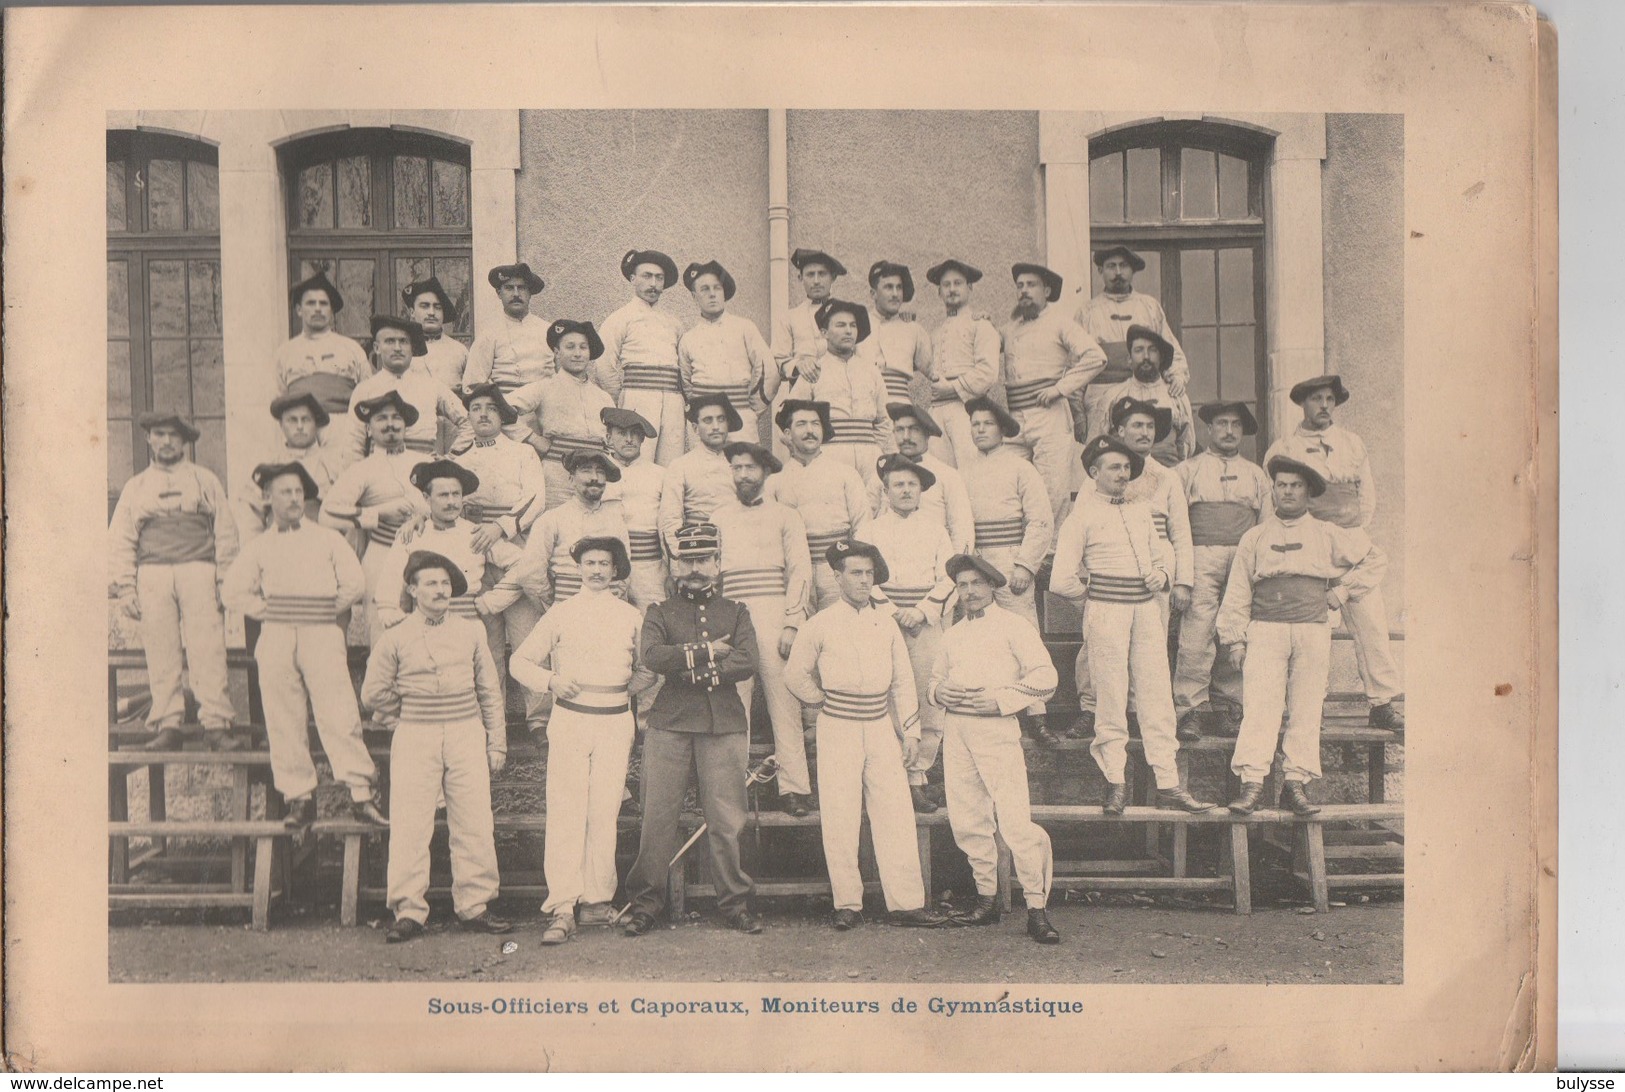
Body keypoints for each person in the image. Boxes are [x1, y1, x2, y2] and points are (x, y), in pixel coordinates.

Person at [784, 541, 949, 931]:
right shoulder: (819, 624)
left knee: (894, 811)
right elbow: (794, 674)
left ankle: (906, 903)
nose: (862, 580)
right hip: (837, 725)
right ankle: (847, 903)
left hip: (879, 727)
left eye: (868, 574)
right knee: (840, 813)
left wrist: (910, 733)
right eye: (855, 573)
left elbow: (902, 681)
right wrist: (821, 701)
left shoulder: (885, 623)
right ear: (837, 577)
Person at [1050, 436, 1215, 815]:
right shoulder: (1082, 517)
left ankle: (1169, 783)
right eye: (1113, 467)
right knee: (1110, 697)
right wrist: (1093, 599)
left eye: (1126, 467)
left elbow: (1163, 556)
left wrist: (1161, 573)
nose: (1123, 473)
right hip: (1107, 613)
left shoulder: (1141, 511)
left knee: (1156, 695)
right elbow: (1061, 579)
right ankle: (1115, 783)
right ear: (1093, 473)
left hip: (1145, 614)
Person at [1218, 457, 1390, 816]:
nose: (1289, 491)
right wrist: (1235, 638)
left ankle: (1295, 784)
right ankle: (1252, 783)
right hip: (1266, 629)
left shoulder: (1327, 534)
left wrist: (1341, 594)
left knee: (1307, 706)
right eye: (1282, 485)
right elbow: (1237, 591)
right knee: (1260, 706)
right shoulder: (1255, 537)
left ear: (1308, 492)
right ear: (1274, 490)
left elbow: (1375, 560)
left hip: (1312, 629)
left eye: (1296, 485)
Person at [221, 462, 384, 827]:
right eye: (285, 492)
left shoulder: (327, 538)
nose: (294, 499)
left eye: (298, 492)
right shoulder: (259, 547)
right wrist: (268, 610)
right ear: (268, 498)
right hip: (277, 635)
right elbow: (233, 590)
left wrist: (324, 608)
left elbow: (354, 583)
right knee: (282, 716)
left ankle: (360, 793)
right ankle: (299, 798)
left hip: (321, 634)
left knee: (339, 712)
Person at [361, 550, 513, 943]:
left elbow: (489, 691)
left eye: (446, 583)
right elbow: (373, 693)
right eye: (431, 583)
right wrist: (407, 713)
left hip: (465, 732)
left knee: (475, 821)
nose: (440, 590)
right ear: (412, 589)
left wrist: (496, 742)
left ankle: (475, 905)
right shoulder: (396, 637)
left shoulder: (470, 631)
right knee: (411, 823)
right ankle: (409, 910)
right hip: (416, 735)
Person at [622, 522, 763, 937]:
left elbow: (747, 660)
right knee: (657, 816)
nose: (696, 567)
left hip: (724, 724)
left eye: (704, 559)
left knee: (726, 820)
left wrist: (697, 671)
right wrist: (704, 653)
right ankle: (646, 903)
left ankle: (735, 903)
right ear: (674, 565)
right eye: (688, 560)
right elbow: (652, 656)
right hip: (670, 723)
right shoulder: (659, 612)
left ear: (718, 564)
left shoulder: (737, 611)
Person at [509, 537, 650, 943]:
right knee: (567, 811)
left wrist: (623, 691)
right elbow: (520, 662)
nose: (597, 570)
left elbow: (648, 668)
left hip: (613, 723)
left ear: (616, 569)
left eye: (605, 563)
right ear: (578, 567)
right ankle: (562, 906)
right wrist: (551, 681)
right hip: (570, 722)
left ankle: (596, 902)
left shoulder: (630, 615)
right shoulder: (560, 613)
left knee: (604, 812)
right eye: (590, 562)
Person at [928, 553, 1060, 943]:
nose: (969, 591)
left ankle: (1036, 908)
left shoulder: (1013, 627)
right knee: (969, 820)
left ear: (991, 586)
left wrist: (1002, 699)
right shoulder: (951, 633)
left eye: (976, 584)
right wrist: (939, 691)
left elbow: (1046, 678)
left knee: (1016, 822)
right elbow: (934, 680)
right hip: (958, 733)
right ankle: (987, 898)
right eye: (962, 585)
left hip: (997, 732)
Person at [1264, 375, 1405, 732]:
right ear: (1302, 404)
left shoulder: (1352, 444)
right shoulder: (1286, 447)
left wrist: (1349, 531)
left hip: (1349, 539)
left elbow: (1367, 499)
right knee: (1315, 628)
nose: (1324, 405)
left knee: (1371, 621)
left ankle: (1382, 702)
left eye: (1329, 399)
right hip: (1309, 542)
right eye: (1316, 399)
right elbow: (1276, 502)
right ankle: (1312, 705)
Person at [109, 412, 239, 751]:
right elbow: (121, 539)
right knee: (160, 648)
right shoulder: (136, 487)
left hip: (198, 569)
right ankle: (167, 723)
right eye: (159, 434)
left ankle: (216, 724)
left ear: (185, 441)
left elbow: (225, 531)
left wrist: (225, 580)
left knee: (207, 647)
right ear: (149, 439)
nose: (166, 441)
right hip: (153, 575)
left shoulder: (204, 480)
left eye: (173, 435)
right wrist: (125, 587)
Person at [373, 462, 533, 721]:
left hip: (468, 623)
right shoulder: (414, 534)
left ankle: (488, 745)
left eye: (456, 494)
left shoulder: (474, 533)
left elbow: (524, 563)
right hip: (424, 626)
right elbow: (390, 580)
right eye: (443, 495)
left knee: (483, 683)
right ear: (426, 498)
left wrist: (493, 600)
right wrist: (390, 611)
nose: (451, 502)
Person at [710, 442, 816, 815]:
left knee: (784, 702)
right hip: (733, 617)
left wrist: (792, 622)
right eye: (736, 468)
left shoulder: (786, 516)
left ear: (765, 472)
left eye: (750, 468)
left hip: (774, 614)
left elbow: (800, 571)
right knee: (732, 703)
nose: (743, 475)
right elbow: (711, 573)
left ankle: (794, 789)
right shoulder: (719, 516)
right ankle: (730, 790)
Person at [1172, 402, 1271, 739]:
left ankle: (1231, 705)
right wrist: (1182, 575)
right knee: (1197, 633)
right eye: (1221, 423)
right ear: (1209, 429)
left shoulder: (1257, 474)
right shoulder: (1188, 470)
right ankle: (1190, 709)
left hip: (1243, 560)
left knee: (1236, 631)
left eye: (1235, 425)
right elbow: (1176, 526)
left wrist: (1260, 569)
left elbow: (1266, 525)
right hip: (1201, 555)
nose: (1229, 431)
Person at [866, 455, 957, 813]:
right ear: (886, 491)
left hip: (925, 623)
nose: (905, 490)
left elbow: (949, 576)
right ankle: (894, 777)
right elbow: (865, 576)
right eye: (898, 484)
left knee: (927, 695)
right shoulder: (870, 531)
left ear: (921, 490)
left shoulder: (936, 529)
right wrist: (892, 614)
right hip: (885, 622)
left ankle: (919, 776)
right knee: (889, 694)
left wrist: (921, 611)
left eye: (911, 484)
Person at [318, 391, 431, 646]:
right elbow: (327, 513)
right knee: (382, 637)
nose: (390, 424)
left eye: (396, 418)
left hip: (425, 554)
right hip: (382, 553)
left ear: (405, 425)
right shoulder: (362, 470)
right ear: (368, 429)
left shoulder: (425, 463)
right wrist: (377, 514)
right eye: (381, 419)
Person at [1002, 262, 1108, 528]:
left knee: (1052, 494)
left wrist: (1060, 388)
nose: (1024, 291)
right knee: (1010, 488)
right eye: (1020, 286)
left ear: (1047, 290)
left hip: (1050, 418)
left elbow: (1096, 357)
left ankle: (1050, 562)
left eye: (1032, 285)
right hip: (1015, 420)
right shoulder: (1010, 328)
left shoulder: (1060, 323)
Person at [958, 396, 1053, 660]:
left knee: (1022, 634)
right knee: (978, 634)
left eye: (987, 423)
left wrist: (1025, 565)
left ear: (1001, 429)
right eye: (975, 424)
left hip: (1011, 563)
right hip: (977, 562)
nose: (980, 429)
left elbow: (1041, 521)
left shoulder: (1021, 468)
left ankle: (1033, 699)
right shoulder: (962, 472)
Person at [1075, 245, 1190, 441]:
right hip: (1101, 398)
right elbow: (1074, 366)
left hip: (1144, 390)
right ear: (1101, 270)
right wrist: (1077, 413)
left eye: (1124, 266)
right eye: (1111, 266)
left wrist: (1178, 377)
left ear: (1133, 270)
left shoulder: (1149, 306)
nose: (1118, 272)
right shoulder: (1087, 312)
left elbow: (1172, 351)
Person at [771, 399, 873, 612]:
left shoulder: (844, 473)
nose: (810, 431)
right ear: (788, 434)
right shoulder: (775, 481)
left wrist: (850, 570)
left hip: (836, 570)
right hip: (795, 572)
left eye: (815, 424)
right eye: (802, 424)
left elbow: (864, 525)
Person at [506, 320, 615, 512]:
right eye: (570, 347)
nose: (577, 353)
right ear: (557, 352)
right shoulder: (545, 387)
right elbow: (500, 408)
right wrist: (531, 438)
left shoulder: (603, 396)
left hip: (594, 476)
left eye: (583, 347)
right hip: (558, 473)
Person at [788, 298, 893, 486]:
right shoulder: (814, 371)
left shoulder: (871, 371)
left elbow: (884, 420)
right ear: (824, 332)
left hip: (870, 456)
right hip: (831, 454)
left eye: (853, 325)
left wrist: (880, 452)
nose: (848, 331)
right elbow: (789, 419)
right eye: (840, 325)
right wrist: (809, 455)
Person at [598, 248, 686, 465]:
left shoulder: (674, 324)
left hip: (673, 402)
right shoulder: (620, 318)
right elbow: (604, 366)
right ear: (632, 279)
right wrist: (623, 404)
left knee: (671, 465)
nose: (653, 284)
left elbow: (684, 368)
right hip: (637, 399)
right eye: (647, 276)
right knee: (638, 463)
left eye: (659, 278)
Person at [514, 449, 631, 607]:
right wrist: (555, 605)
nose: (594, 478)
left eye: (600, 472)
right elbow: (529, 573)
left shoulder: (616, 521)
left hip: (607, 611)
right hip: (566, 608)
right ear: (571, 479)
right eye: (586, 471)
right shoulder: (552, 519)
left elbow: (624, 574)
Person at [343, 316, 468, 462]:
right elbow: (353, 444)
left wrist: (450, 459)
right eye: (390, 341)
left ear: (412, 348)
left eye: (403, 341)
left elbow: (469, 422)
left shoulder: (432, 386)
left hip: (424, 471)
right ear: (377, 348)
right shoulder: (365, 389)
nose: (397, 348)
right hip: (382, 470)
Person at [678, 260, 770, 445]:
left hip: (740, 415)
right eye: (704, 289)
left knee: (743, 467)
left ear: (724, 293)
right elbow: (685, 383)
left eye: (717, 288)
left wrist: (753, 410)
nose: (712, 294)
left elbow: (767, 370)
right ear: (694, 297)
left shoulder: (744, 328)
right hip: (704, 421)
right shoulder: (688, 338)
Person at [236, 393, 345, 548]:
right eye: (292, 420)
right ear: (281, 425)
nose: (299, 426)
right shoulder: (269, 467)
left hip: (322, 551)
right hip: (278, 550)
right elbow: (250, 519)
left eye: (306, 419)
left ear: (316, 424)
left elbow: (348, 521)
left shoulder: (334, 466)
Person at [865, 402, 974, 553]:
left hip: (931, 560)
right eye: (900, 430)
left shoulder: (947, 476)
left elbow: (962, 527)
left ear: (927, 434)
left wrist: (954, 569)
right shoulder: (881, 474)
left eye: (914, 430)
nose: (906, 437)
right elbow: (866, 518)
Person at [769, 247, 845, 461]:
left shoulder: (846, 315)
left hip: (836, 394)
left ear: (832, 278)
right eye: (810, 275)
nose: (816, 280)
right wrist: (796, 365)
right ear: (800, 278)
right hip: (801, 396)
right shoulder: (790, 317)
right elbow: (778, 358)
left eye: (822, 274)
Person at [924, 259, 1000, 468]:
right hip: (937, 412)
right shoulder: (936, 333)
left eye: (958, 283)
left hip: (966, 409)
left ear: (970, 288)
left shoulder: (981, 325)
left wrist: (952, 388)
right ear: (939, 292)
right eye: (946, 285)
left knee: (971, 472)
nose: (952, 289)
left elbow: (988, 372)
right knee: (939, 473)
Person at [1088, 325, 1196, 466]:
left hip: (1167, 475)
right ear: (1129, 359)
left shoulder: (1176, 395)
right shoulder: (1113, 396)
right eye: (1139, 350)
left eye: (1152, 350)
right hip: (1126, 478)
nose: (1146, 356)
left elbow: (1187, 446)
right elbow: (1095, 444)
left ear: (1161, 357)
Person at [274, 271, 371, 423]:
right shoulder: (285, 353)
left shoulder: (351, 349)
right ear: (299, 310)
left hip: (345, 433)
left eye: (323, 303)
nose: (318, 309)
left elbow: (367, 396)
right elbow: (278, 401)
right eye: (311, 303)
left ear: (331, 311)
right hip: (302, 433)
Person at [656, 394, 744, 555]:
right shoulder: (680, 466)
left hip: (737, 549)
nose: (716, 426)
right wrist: (681, 563)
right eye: (708, 420)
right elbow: (670, 520)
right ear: (695, 428)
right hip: (696, 551)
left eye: (721, 419)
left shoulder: (743, 464)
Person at [601, 407, 668, 610]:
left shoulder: (660, 475)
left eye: (635, 434)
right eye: (622, 433)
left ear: (642, 439)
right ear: (609, 438)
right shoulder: (598, 472)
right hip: (608, 568)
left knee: (651, 625)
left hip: (649, 568)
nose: (629, 439)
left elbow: (668, 524)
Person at [402, 276, 469, 454]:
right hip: (417, 430)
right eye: (424, 306)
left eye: (437, 307)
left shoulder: (459, 350)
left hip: (455, 429)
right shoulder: (402, 351)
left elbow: (470, 394)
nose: (431, 312)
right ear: (411, 311)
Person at [463, 262, 552, 396]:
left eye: (521, 288)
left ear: (530, 293)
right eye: (509, 288)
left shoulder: (547, 331)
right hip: (506, 410)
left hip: (545, 409)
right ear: (499, 293)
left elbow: (563, 380)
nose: (516, 294)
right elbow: (473, 383)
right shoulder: (489, 335)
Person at [863, 260, 932, 406]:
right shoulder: (858, 325)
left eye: (899, 288)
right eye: (888, 287)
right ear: (873, 294)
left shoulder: (912, 329)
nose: (895, 294)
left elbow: (935, 369)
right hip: (865, 403)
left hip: (900, 405)